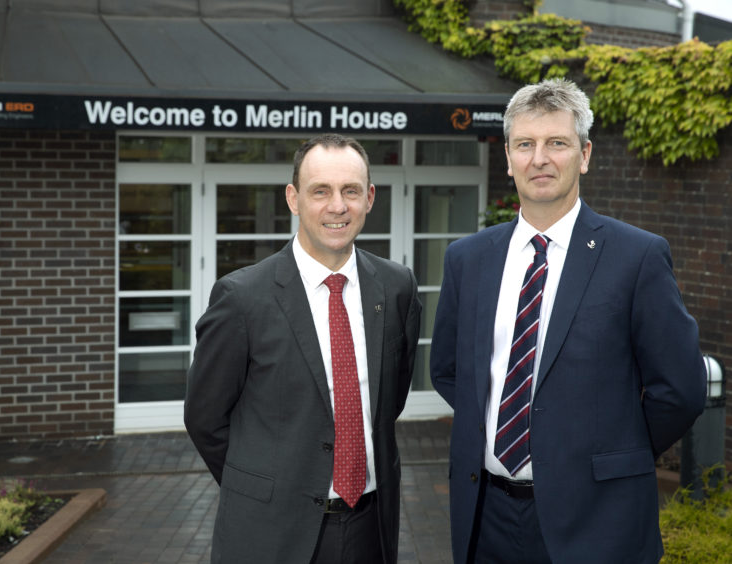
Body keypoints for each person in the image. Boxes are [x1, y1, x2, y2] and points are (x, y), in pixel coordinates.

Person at [430, 78, 706, 563]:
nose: (540, 158)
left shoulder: (636, 257)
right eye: (525, 144)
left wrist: (608, 451)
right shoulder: (467, 258)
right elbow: (450, 371)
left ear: (584, 154)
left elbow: (680, 389)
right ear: (509, 157)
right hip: (485, 516)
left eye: (557, 143)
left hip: (598, 519)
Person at [185, 133, 421, 564]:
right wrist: (261, 486)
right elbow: (204, 418)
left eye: (351, 191)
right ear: (293, 198)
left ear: (369, 198)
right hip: (270, 534)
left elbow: (389, 401)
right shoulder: (242, 297)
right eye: (320, 191)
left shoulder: (396, 286)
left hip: (370, 528)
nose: (337, 206)